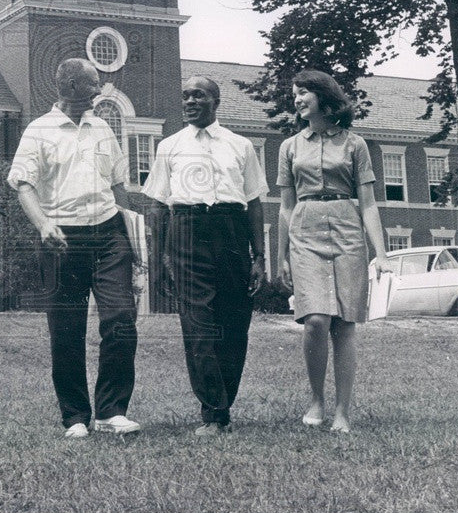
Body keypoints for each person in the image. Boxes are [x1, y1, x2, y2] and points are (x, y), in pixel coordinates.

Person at [7, 58, 140, 439]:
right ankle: (75, 417)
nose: (99, 92)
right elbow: (22, 184)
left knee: (120, 319)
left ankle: (112, 411)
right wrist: (44, 224)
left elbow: (119, 186)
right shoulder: (39, 130)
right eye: (93, 84)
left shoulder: (103, 130)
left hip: (110, 233)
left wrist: (133, 239)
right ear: (69, 87)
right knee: (66, 329)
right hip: (62, 238)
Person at [142, 76, 268, 435]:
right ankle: (213, 412)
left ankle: (224, 401)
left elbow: (255, 203)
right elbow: (157, 206)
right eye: (185, 96)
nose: (190, 101)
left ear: (216, 100)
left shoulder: (240, 146)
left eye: (198, 95)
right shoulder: (169, 146)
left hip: (231, 229)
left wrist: (259, 256)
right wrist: (159, 259)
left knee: (233, 322)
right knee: (197, 323)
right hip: (186, 228)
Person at [276, 69, 394, 433]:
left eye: (303, 93)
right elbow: (285, 205)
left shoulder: (355, 145)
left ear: (324, 98)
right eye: (294, 94)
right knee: (314, 320)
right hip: (306, 229)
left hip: (347, 229)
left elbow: (370, 204)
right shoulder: (290, 146)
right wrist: (281, 254)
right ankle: (316, 399)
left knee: (344, 324)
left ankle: (343, 410)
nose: (296, 100)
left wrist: (383, 253)